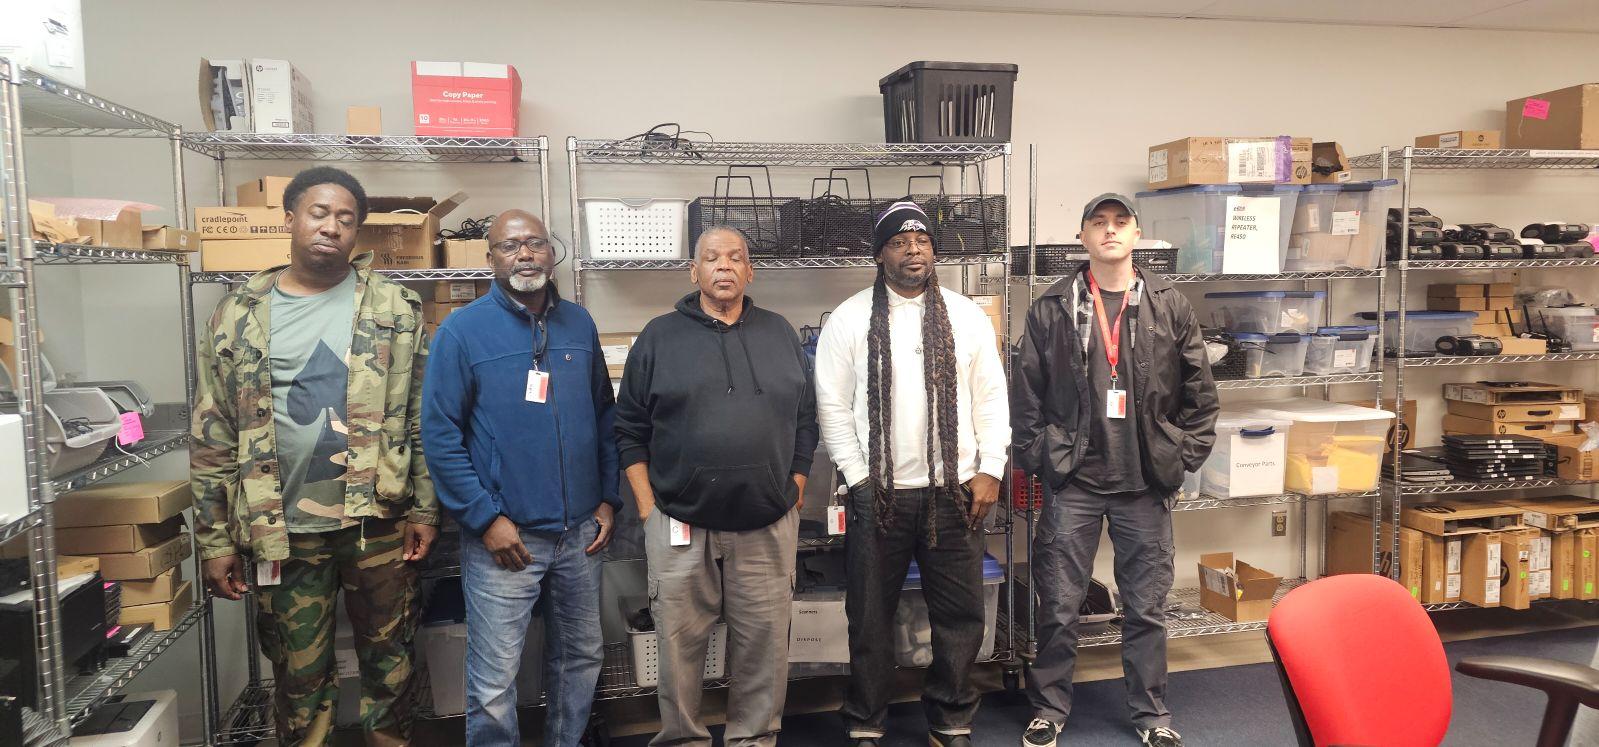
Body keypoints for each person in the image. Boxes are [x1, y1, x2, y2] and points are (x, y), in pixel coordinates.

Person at [190, 166, 438, 747]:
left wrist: (426, 508)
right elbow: (212, 429)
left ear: (358, 232)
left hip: (377, 520)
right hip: (282, 528)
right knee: (298, 679)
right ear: (291, 219)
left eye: (346, 218)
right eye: (319, 213)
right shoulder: (239, 310)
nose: (332, 226)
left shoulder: (396, 307)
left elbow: (422, 415)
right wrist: (215, 541)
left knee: (392, 666)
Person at [1012, 194, 1219, 747]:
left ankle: (1151, 717)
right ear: (1081, 236)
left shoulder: (1169, 304)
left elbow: (1201, 393)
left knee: (1146, 608)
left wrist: (1182, 454)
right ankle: (1049, 711)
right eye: (1098, 223)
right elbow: (1025, 396)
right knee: (1057, 604)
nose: (1109, 231)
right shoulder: (1051, 307)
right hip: (1074, 481)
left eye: (1120, 222)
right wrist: (1043, 459)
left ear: (1137, 233)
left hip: (1144, 483)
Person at [813, 201, 1010, 747]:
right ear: (880, 255)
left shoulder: (966, 316)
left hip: (956, 492)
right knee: (870, 617)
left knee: (961, 615)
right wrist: (857, 477)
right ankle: (866, 719)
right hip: (880, 496)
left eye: (921, 239)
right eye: (900, 242)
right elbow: (831, 406)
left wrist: (990, 467)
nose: (914, 249)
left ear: (934, 249)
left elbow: (992, 397)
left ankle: (950, 718)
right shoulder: (850, 319)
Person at [614, 226, 818, 747]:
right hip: (680, 523)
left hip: (767, 523)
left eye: (735, 258)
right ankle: (683, 739)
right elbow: (629, 430)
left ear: (750, 271)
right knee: (678, 649)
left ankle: (755, 739)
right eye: (711, 258)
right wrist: (647, 509)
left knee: (764, 648)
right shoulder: (658, 337)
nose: (723, 266)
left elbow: (806, 421)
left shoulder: (780, 334)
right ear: (694, 271)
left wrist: (793, 487)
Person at [421, 210, 617, 745]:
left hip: (581, 533)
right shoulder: (462, 331)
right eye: (510, 246)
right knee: (493, 678)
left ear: (551, 253)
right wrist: (485, 519)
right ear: (491, 259)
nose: (524, 254)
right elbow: (439, 436)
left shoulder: (579, 323)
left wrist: (607, 499)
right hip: (504, 538)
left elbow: (604, 416)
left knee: (579, 658)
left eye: (534, 243)